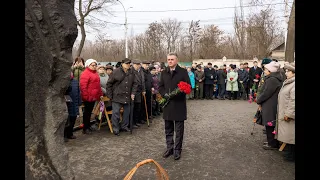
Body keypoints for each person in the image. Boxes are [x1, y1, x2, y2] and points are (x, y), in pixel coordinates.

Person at [159, 52, 191, 160]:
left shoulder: (182, 72)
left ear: (176, 60)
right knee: (168, 129)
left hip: (179, 104)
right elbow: (161, 86)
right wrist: (165, 95)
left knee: (178, 130)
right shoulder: (164, 72)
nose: (170, 61)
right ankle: (170, 148)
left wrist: (177, 94)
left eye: (172, 59)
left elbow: (188, 86)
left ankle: (177, 150)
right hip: (168, 105)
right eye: (168, 59)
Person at [106, 58, 138, 136]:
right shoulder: (115, 72)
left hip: (127, 96)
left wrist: (133, 93)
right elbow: (109, 84)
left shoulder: (132, 72)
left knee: (127, 113)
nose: (128, 65)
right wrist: (110, 96)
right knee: (116, 113)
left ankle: (124, 126)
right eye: (126, 63)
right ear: (122, 64)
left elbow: (135, 83)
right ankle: (116, 128)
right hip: (117, 96)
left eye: (129, 63)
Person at [256, 61, 282, 150]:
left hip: (270, 104)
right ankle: (271, 141)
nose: (264, 71)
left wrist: (258, 100)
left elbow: (266, 93)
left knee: (270, 123)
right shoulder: (272, 78)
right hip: (270, 103)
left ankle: (272, 143)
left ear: (270, 70)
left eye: (266, 69)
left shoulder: (272, 80)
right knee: (269, 123)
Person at [276, 62, 295, 162]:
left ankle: (292, 155)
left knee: (291, 134)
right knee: (289, 134)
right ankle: (289, 152)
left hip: (289, 114)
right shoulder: (289, 82)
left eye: (288, 71)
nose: (286, 73)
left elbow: (293, 101)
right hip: (285, 111)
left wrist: (289, 114)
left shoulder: (293, 84)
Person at [79, 59, 103, 135]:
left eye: (95, 65)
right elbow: (83, 86)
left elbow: (98, 85)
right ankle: (85, 128)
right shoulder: (85, 73)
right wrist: (86, 96)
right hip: (88, 96)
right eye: (93, 65)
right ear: (88, 65)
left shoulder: (95, 73)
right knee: (87, 112)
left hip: (94, 96)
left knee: (89, 112)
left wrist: (100, 94)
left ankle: (88, 126)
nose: (94, 66)